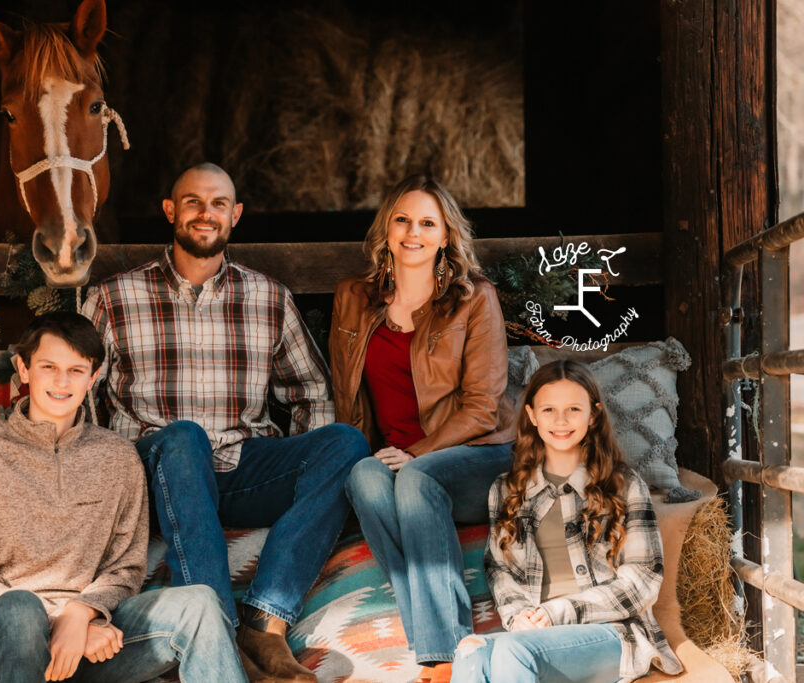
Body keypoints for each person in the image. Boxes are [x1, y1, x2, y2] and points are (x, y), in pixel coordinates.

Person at [82, 163, 370, 683]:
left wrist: (309, 484)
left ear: (234, 215)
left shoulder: (268, 298)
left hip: (239, 466)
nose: (205, 213)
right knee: (183, 437)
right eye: (192, 202)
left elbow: (309, 392)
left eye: (218, 204)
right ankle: (216, 637)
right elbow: (81, 398)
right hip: (152, 472)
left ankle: (265, 622)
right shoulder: (111, 298)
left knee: (344, 444)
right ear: (171, 211)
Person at [0, 312, 247, 683]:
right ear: (23, 368)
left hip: (88, 635)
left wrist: (82, 613)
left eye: (76, 370)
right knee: (21, 609)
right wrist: (59, 622)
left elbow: (125, 568)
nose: (61, 381)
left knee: (201, 605)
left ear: (94, 376)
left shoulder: (118, 458)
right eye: (48, 366)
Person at [330, 174, 516, 683]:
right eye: (403, 220)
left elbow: (482, 406)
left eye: (427, 223)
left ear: (445, 236)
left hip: (479, 455)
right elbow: (346, 393)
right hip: (397, 458)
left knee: (414, 479)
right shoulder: (354, 296)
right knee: (363, 478)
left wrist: (417, 453)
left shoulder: (474, 298)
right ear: (387, 230)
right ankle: (442, 645)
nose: (414, 232)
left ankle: (441, 657)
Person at [452, 360, 682, 683]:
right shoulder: (506, 490)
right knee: (470, 650)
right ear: (532, 416)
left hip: (611, 633)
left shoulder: (624, 485)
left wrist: (558, 612)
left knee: (512, 652)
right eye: (548, 410)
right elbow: (498, 569)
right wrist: (518, 617)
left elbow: (642, 580)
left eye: (574, 409)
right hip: (534, 634)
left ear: (594, 414)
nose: (560, 420)